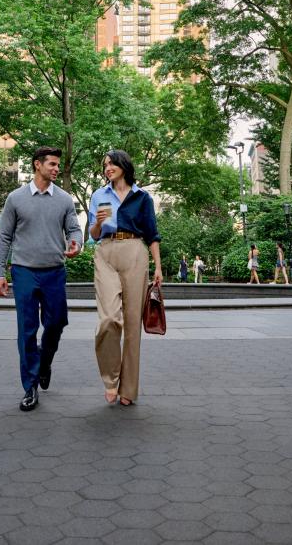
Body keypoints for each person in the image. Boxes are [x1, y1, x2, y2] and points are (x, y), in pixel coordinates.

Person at [0, 147, 83, 412]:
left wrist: (76, 243)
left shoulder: (64, 199)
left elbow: (74, 229)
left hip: (54, 271)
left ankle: (45, 362)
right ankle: (30, 387)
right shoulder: (16, 198)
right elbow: (3, 236)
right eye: (52, 164)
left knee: (57, 323)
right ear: (37, 165)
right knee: (27, 330)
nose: (56, 168)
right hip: (24, 271)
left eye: (57, 164)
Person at [89, 150, 162, 407]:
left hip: (135, 252)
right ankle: (110, 380)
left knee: (132, 326)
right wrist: (98, 223)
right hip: (106, 252)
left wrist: (158, 267)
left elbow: (152, 233)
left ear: (123, 165)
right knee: (108, 319)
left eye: (112, 163)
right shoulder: (99, 195)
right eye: (105, 165)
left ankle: (128, 388)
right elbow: (93, 235)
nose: (107, 168)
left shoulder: (142, 197)